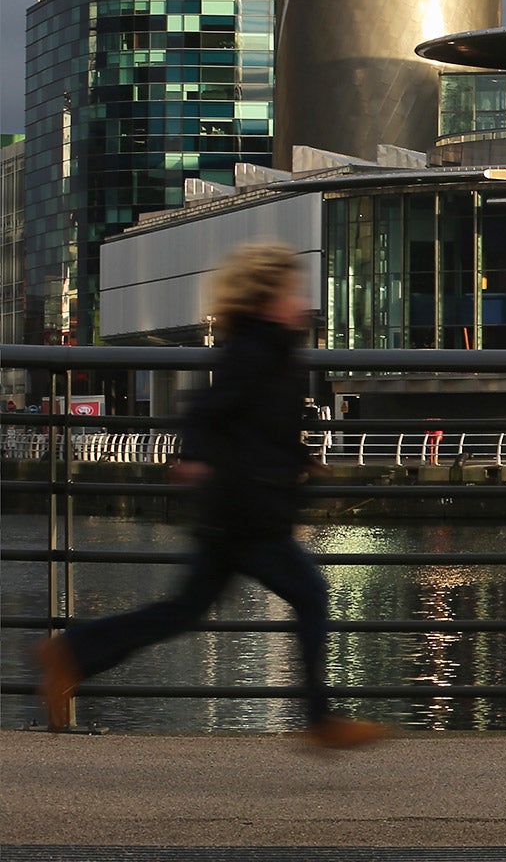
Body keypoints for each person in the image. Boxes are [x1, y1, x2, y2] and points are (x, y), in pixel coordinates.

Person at [37, 241, 390, 750]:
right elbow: (206, 409)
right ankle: (320, 718)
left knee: (182, 611)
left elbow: (258, 425)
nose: (301, 300)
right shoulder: (255, 350)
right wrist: (195, 456)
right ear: (268, 298)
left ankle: (70, 652)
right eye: (292, 290)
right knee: (310, 595)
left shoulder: (269, 348)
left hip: (238, 507)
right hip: (246, 510)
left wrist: (298, 459)